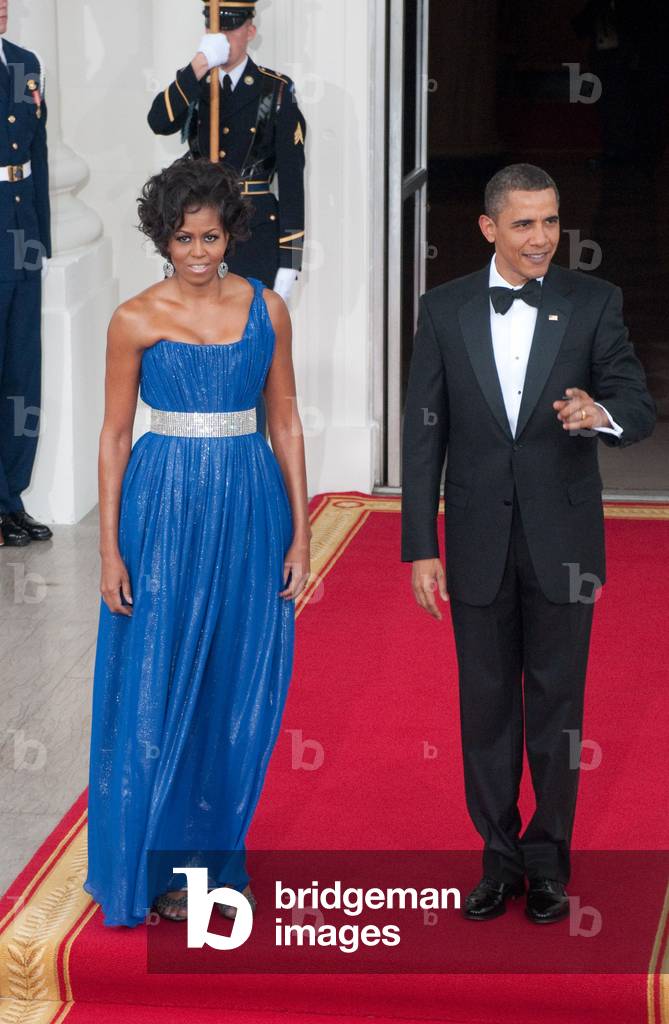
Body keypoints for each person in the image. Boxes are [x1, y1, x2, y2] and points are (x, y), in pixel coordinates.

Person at [401, 163, 656, 924]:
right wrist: (421, 545)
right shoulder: (442, 310)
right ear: (489, 228)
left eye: (549, 221)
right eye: (523, 224)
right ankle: (497, 858)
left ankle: (547, 863)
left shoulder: (593, 302)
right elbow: (423, 437)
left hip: (562, 544)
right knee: (484, 708)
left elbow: (636, 403)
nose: (542, 237)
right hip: (476, 539)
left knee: (557, 708)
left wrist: (599, 414)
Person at [82, 155, 311, 926]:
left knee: (235, 681)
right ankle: (152, 862)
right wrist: (108, 549)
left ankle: (212, 856)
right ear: (162, 240)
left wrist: (301, 534)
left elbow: (285, 421)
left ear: (230, 234)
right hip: (162, 509)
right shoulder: (134, 318)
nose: (199, 253)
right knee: (155, 678)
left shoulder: (266, 310)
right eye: (183, 239)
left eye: (210, 237)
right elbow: (115, 437)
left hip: (248, 504)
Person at [147, 2, 306, 439]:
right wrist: (199, 64)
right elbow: (159, 121)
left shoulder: (274, 90)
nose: (225, 37)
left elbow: (292, 179)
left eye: (233, 29)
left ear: (250, 30)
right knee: (195, 342)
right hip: (199, 235)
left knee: (250, 352)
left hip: (254, 237)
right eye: (216, 28)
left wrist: (290, 260)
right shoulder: (198, 83)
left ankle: (250, 449)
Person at [0, 0, 52, 546]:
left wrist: (42, 239)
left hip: (22, 235)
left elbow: (37, 151)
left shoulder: (24, 62)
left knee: (22, 377)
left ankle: (11, 499)